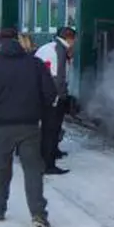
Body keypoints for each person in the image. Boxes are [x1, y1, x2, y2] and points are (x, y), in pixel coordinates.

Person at [0, 26, 58, 227]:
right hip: (29, 125)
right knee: (33, 170)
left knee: (1, 169)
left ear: (0, 43)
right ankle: (38, 213)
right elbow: (50, 94)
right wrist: (38, 112)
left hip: (1, 126)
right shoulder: (35, 65)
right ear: (19, 42)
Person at [34, 27, 76, 175]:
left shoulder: (48, 47)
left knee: (48, 129)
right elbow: (58, 78)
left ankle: (49, 154)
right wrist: (62, 97)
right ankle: (48, 164)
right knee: (50, 130)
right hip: (52, 98)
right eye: (74, 40)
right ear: (69, 38)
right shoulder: (59, 51)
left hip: (42, 94)